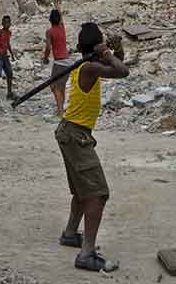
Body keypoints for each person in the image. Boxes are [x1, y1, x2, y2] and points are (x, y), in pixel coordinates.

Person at [56, 22, 129, 273]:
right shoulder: (89, 68)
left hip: (70, 132)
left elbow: (116, 64)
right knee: (97, 193)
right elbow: (122, 71)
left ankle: (70, 233)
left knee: (81, 191)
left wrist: (114, 51)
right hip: (75, 135)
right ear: (96, 48)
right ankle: (86, 254)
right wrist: (108, 53)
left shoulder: (86, 66)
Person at [43, 9, 71, 116]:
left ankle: (60, 111)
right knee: (62, 86)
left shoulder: (49, 32)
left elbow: (48, 47)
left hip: (59, 62)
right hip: (68, 61)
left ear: (50, 19)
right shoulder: (62, 28)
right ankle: (61, 108)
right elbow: (62, 18)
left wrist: (45, 58)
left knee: (54, 86)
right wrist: (58, 6)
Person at [0, 15, 16, 102]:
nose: (7, 24)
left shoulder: (9, 33)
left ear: (10, 23)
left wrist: (12, 54)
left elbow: (8, 44)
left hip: (5, 56)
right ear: (2, 23)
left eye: (8, 22)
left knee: (10, 74)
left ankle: (9, 93)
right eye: (5, 22)